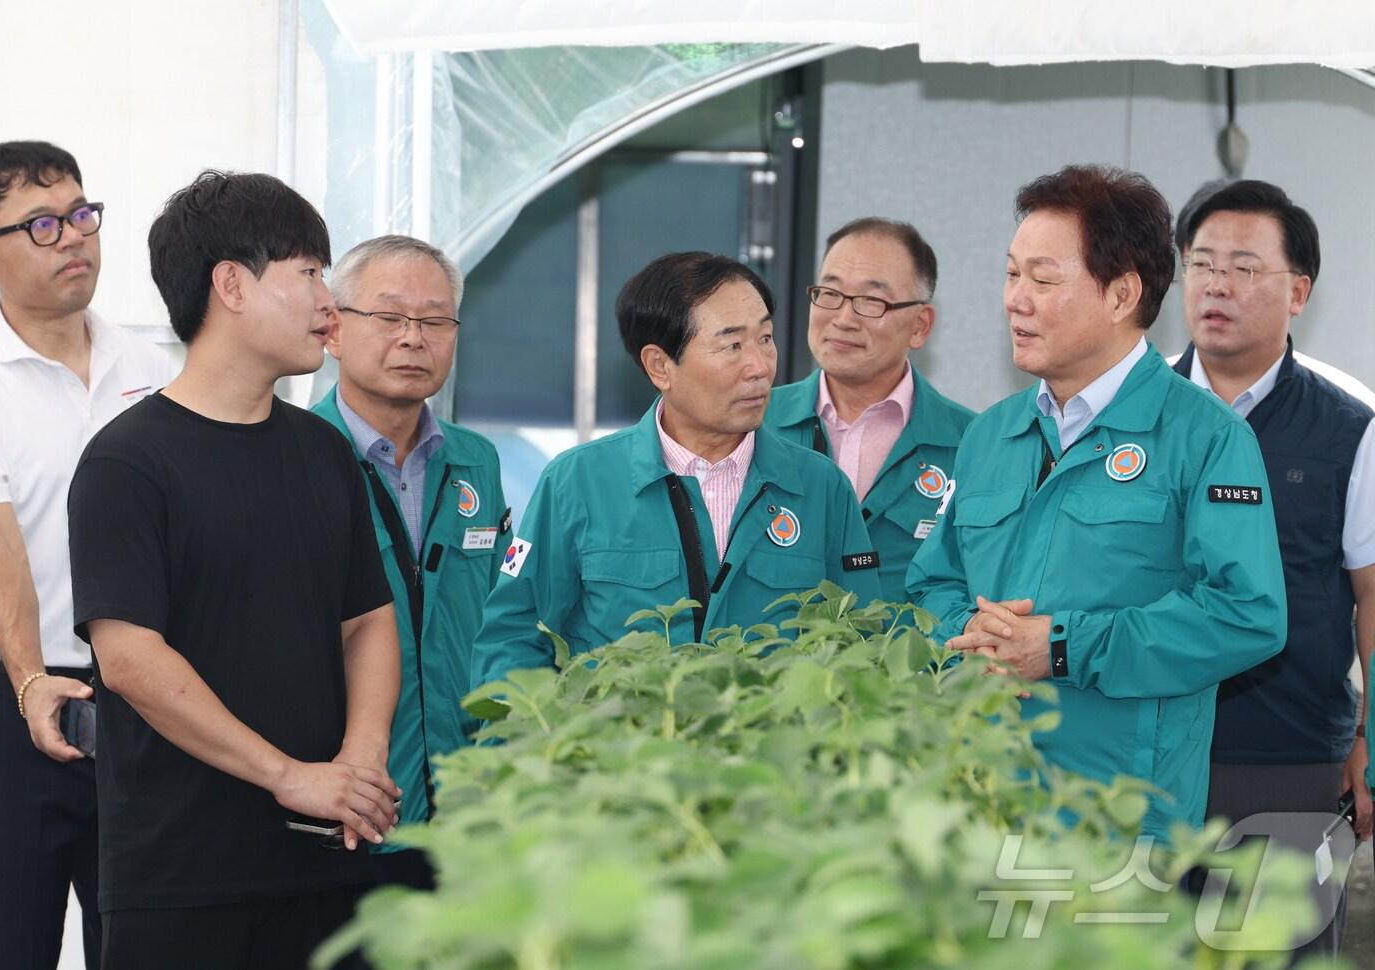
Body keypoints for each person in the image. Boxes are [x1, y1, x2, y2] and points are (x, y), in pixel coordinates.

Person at [67, 171, 401, 970]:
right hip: (182, 878)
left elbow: (369, 620)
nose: (332, 304)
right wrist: (288, 777)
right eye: (310, 273)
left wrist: (360, 757)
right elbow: (131, 660)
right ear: (231, 285)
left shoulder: (323, 449)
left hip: (327, 864)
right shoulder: (127, 461)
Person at [905, 164, 1287, 842]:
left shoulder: (1206, 437)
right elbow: (934, 581)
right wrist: (973, 637)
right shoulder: (992, 434)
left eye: (1043, 280)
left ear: (1121, 295)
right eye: (1011, 274)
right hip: (983, 797)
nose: (1015, 300)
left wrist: (1061, 646)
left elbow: (1247, 616)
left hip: (1123, 816)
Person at [471, 251, 880, 687]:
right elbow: (512, 639)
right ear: (660, 366)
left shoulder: (821, 486)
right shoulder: (576, 483)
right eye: (732, 345)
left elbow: (861, 643)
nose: (760, 367)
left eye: (765, 338)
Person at [0, 140, 174, 970]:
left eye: (83, 215)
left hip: (145, 698)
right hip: (4, 700)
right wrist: (30, 682)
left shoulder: (157, 367)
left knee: (138, 938)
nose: (74, 239)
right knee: (4, 939)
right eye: (43, 224)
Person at [1174, 178, 1375, 955]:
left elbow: (1369, 594)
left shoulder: (1348, 429)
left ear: (1299, 291)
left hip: (1293, 759)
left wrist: (1368, 740)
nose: (1217, 284)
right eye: (1201, 263)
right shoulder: (1135, 412)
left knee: (1283, 954)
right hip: (1152, 751)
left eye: (1245, 268)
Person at [313, 235, 509, 888]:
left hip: (468, 812)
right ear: (333, 329)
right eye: (391, 317)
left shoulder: (476, 460)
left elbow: (493, 619)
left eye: (433, 321)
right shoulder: (296, 457)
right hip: (343, 808)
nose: (413, 337)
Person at [764, 217, 975, 596]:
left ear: (920, 325)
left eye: (872, 301)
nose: (843, 319)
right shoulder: (753, 424)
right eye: (829, 294)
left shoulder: (973, 444)